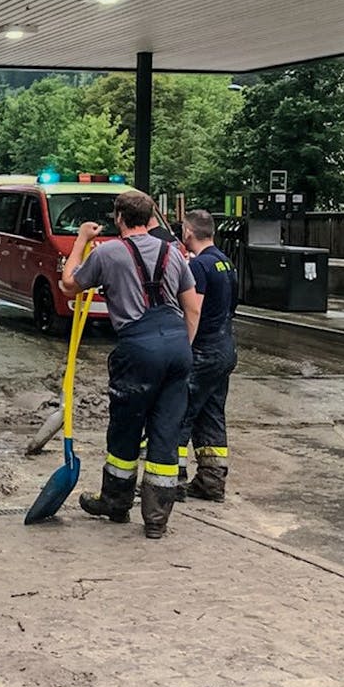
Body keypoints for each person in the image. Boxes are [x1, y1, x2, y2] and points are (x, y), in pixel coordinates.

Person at [60, 191, 202, 538]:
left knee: (126, 426)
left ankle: (116, 502)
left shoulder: (108, 253)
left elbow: (68, 286)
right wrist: (182, 347)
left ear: (119, 217)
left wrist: (81, 239)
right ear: (151, 216)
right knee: (166, 432)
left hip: (137, 348)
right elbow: (193, 306)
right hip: (176, 346)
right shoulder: (174, 252)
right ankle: (156, 520)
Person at [177, 209, 238, 501]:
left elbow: (194, 309)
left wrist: (185, 348)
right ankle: (212, 482)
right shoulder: (226, 263)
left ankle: (171, 481)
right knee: (211, 414)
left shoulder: (199, 267)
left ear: (188, 232)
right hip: (225, 350)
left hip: (202, 352)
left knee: (178, 412)